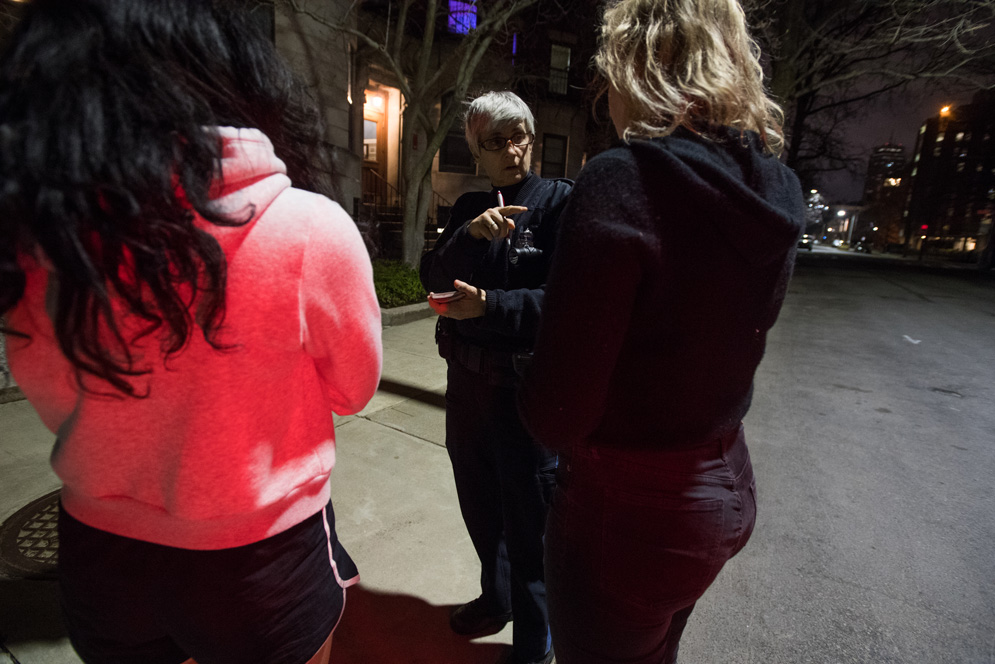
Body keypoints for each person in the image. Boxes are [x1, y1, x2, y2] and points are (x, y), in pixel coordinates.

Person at [0, 2, 382, 663]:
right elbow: (352, 390)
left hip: (104, 548)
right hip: (261, 556)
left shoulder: (50, 237)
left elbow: (55, 398)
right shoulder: (309, 229)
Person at [517, 0, 806, 662]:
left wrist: (522, 378)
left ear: (636, 66)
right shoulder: (774, 188)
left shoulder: (622, 180)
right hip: (722, 486)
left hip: (629, 512)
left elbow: (558, 413)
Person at [419, 91, 572, 664]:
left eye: (519, 138)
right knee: (480, 505)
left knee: (531, 525)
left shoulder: (558, 204)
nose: (511, 150)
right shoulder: (467, 210)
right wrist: (468, 239)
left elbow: (569, 304)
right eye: (495, 142)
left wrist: (491, 305)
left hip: (524, 394)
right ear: (476, 153)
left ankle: (536, 643)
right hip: (468, 391)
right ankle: (496, 598)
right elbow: (430, 279)